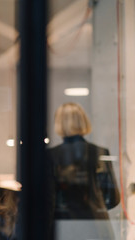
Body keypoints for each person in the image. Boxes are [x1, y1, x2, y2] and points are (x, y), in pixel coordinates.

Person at [47, 102, 120, 240]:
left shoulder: (50, 157)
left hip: (63, 229)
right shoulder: (100, 153)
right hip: (97, 229)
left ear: (59, 124)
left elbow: (48, 202)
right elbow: (113, 199)